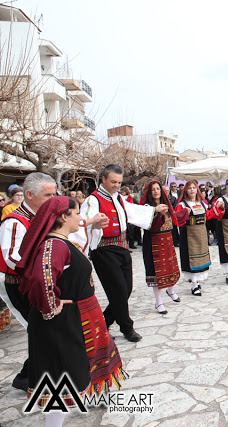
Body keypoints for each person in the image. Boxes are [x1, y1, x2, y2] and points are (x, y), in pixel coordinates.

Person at [16, 196, 126, 427]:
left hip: (79, 316)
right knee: (59, 374)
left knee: (72, 370)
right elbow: (41, 278)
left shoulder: (61, 242)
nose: (80, 218)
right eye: (77, 213)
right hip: (61, 323)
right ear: (64, 217)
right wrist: (51, 307)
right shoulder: (54, 245)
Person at [71, 164, 163, 343]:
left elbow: (133, 211)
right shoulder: (93, 200)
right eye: (113, 181)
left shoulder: (119, 198)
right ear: (103, 179)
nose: (116, 185)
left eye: (119, 182)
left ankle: (102, 325)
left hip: (121, 247)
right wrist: (93, 222)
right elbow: (80, 221)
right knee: (119, 291)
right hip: (104, 249)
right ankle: (127, 327)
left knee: (125, 289)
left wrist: (154, 210)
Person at [0, 172, 60, 392]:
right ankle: (29, 377)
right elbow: (13, 257)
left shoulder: (43, 218)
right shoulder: (15, 222)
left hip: (36, 282)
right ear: (29, 195)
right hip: (19, 284)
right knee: (40, 329)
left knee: (42, 329)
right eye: (48, 195)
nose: (53, 200)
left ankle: (29, 375)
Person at [140, 180, 189, 314]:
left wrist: (185, 212)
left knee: (171, 267)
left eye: (158, 189)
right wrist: (157, 215)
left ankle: (171, 290)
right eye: (153, 189)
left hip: (167, 241)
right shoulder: (146, 207)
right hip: (153, 242)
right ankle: (158, 301)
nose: (156, 191)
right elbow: (148, 225)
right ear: (149, 192)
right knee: (156, 272)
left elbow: (174, 218)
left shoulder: (166, 204)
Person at [175, 180, 215, 292]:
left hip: (201, 234)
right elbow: (176, 220)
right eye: (189, 188)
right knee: (191, 258)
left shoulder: (202, 203)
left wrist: (218, 208)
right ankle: (194, 284)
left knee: (201, 257)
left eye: (193, 188)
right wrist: (183, 213)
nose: (192, 190)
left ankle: (197, 282)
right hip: (189, 235)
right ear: (185, 191)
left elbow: (209, 215)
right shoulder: (182, 205)